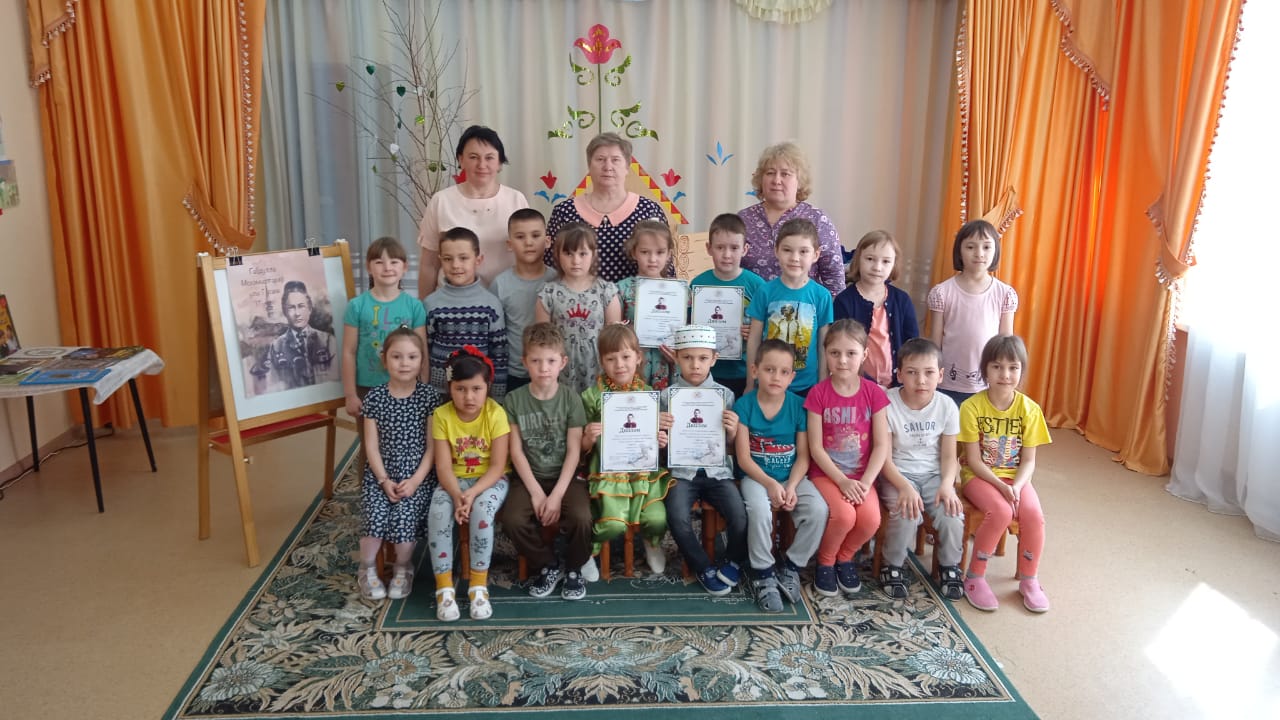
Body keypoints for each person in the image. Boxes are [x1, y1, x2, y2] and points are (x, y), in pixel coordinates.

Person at [958, 334, 1051, 613]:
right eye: (997, 366)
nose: (1005, 374)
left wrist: (1017, 487)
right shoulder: (971, 407)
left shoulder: (1030, 410)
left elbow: (1029, 462)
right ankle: (974, 577)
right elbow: (973, 461)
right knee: (1000, 511)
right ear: (985, 369)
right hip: (979, 477)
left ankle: (1029, 579)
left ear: (1022, 370)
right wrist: (1000, 486)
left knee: (1033, 515)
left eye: (1013, 367)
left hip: (1016, 479)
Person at [735, 339, 828, 612]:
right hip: (756, 477)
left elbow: (803, 456)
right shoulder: (744, 405)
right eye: (769, 370)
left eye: (784, 372)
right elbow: (743, 459)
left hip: (791, 476)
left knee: (819, 510)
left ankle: (792, 565)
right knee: (759, 510)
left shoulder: (798, 406)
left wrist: (792, 486)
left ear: (792, 377)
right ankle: (763, 572)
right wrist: (770, 484)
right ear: (755, 370)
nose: (776, 377)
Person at [500, 323, 592, 601]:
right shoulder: (513, 400)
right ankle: (548, 564)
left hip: (567, 476)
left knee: (582, 518)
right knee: (512, 519)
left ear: (562, 362)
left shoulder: (571, 399)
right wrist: (538, 494)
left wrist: (557, 496)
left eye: (550, 361)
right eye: (536, 361)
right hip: (530, 477)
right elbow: (516, 452)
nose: (543, 368)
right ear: (524, 362)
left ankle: (574, 567)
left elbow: (574, 451)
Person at [354, 328, 442, 602]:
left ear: (421, 361)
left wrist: (414, 481)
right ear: (384, 360)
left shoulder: (429, 397)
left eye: (412, 357)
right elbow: (371, 447)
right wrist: (383, 480)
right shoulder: (375, 398)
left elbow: (432, 448)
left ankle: (403, 567)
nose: (404, 363)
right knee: (376, 516)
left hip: (417, 475)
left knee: (404, 518)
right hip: (381, 474)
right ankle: (367, 567)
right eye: (397, 356)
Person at [658, 325, 747, 596]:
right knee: (676, 517)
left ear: (714, 359)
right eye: (687, 357)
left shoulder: (725, 396)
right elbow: (661, 450)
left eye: (702, 358)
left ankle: (733, 560)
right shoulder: (666, 397)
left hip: (717, 471)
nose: (695, 365)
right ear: (676, 357)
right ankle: (702, 565)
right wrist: (659, 432)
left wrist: (732, 432)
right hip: (681, 473)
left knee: (740, 515)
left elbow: (730, 448)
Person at [804, 319, 890, 598]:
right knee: (844, 515)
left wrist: (866, 482)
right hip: (827, 474)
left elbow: (881, 445)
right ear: (825, 354)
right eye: (835, 353)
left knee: (870, 520)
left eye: (851, 353)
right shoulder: (818, 394)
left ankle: (845, 557)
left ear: (864, 355)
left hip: (862, 476)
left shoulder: (874, 393)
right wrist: (841, 481)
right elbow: (816, 448)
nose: (842, 360)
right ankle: (826, 561)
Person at [878, 338, 966, 601]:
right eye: (912, 372)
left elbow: (949, 456)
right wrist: (905, 487)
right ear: (899, 374)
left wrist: (947, 485)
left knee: (952, 513)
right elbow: (884, 458)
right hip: (897, 474)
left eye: (929, 373)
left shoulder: (947, 406)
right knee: (906, 511)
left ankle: (950, 566)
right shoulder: (887, 402)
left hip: (934, 475)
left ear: (940, 375)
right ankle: (892, 565)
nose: (921, 380)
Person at [580, 324, 671, 579]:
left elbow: (652, 439)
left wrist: (659, 439)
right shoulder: (591, 397)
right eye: (611, 359)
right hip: (608, 473)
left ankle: (652, 542)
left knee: (657, 518)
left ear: (638, 357)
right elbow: (580, 448)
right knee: (612, 524)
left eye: (626, 356)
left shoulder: (649, 395)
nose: (619, 365)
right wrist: (588, 437)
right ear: (602, 361)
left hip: (643, 472)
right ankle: (588, 551)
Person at [428, 347, 511, 621]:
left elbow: (497, 466)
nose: (469, 397)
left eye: (476, 389)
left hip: (490, 481)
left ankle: (478, 585)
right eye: (461, 389)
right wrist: (456, 495)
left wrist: (472, 494)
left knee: (482, 512)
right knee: (438, 512)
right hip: (453, 480)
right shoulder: (442, 416)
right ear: (450, 388)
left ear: (487, 387)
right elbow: (443, 467)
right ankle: (444, 588)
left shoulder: (496, 414)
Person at [418, 125, 529, 296]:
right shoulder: (441, 201)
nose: (482, 165)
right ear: (461, 160)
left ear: (499, 163)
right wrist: (423, 307)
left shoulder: (516, 200)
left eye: (489, 157)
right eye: (473, 157)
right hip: (452, 301)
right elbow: (429, 265)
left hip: (506, 299)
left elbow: (529, 256)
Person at [543, 132, 668, 283]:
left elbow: (666, 269)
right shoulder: (564, 212)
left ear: (627, 167)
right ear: (589, 166)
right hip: (577, 298)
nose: (608, 167)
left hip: (634, 297)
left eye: (615, 160)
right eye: (600, 159)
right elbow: (550, 266)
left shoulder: (649, 210)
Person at [342, 238, 428, 454]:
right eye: (379, 262)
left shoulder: (415, 306)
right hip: (367, 387)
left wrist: (423, 388)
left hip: (407, 387)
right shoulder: (356, 306)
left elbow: (422, 351)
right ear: (368, 267)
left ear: (405, 267)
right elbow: (348, 352)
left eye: (394, 262)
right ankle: (371, 478)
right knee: (370, 448)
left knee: (406, 445)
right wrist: (350, 394)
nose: (387, 268)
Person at [928, 219, 1018, 405]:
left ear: (996, 251)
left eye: (986, 247)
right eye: (970, 247)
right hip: (948, 383)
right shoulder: (942, 292)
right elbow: (935, 343)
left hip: (987, 384)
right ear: (959, 251)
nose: (979, 253)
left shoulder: (1004, 294)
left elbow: (1005, 344)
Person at [738, 141, 845, 295]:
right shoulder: (743, 219)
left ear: (799, 181)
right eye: (770, 173)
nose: (776, 180)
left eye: (785, 174)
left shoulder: (818, 220)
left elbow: (835, 281)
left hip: (804, 307)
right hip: (751, 308)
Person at [745, 219, 833, 397]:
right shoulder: (765, 292)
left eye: (803, 251)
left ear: (815, 255)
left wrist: (822, 385)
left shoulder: (822, 296)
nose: (794, 258)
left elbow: (824, 344)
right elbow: (754, 340)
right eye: (787, 250)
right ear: (776, 251)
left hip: (806, 386)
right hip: (768, 383)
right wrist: (750, 383)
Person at [535, 222, 623, 394]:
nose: (576, 261)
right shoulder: (548, 293)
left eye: (583, 254)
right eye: (568, 253)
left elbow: (614, 338)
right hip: (561, 371)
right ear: (557, 254)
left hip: (599, 370)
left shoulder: (606, 291)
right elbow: (541, 341)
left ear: (593, 254)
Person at [424, 226, 508, 399]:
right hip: (440, 394)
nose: (456, 265)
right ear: (440, 260)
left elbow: (499, 355)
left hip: (477, 394)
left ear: (478, 260)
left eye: (463, 258)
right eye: (448, 259)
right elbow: (426, 350)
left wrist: (497, 398)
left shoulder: (491, 305)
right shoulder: (431, 304)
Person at [690, 213, 766, 399]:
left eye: (734, 248)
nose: (726, 255)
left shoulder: (757, 286)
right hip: (706, 373)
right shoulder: (697, 284)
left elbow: (769, 329)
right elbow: (688, 326)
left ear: (745, 249)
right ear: (709, 248)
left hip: (744, 372)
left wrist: (756, 331)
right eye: (720, 247)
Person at [834, 230, 919, 388]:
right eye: (870, 259)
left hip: (897, 386)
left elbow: (913, 345)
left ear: (894, 265)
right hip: (857, 385)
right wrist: (871, 385)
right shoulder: (844, 301)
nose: (877, 267)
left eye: (886, 261)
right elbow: (841, 347)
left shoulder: (902, 300)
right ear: (858, 259)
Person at [491, 209, 558, 395]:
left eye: (535, 235)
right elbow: (495, 335)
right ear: (509, 244)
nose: (528, 242)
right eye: (520, 237)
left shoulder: (557, 281)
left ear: (547, 241)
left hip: (552, 372)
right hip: (515, 374)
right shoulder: (500, 284)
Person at [615, 219, 678, 390]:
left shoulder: (679, 291)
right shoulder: (621, 290)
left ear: (669, 254)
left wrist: (678, 351)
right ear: (634, 252)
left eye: (660, 252)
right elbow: (614, 333)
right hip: (633, 365)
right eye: (645, 252)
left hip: (667, 363)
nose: (652, 259)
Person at [265, 280, 338, 389]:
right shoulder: (276, 347)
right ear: (284, 311)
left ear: (309, 309)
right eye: (291, 307)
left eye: (301, 306)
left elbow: (337, 380)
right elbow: (273, 385)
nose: (297, 313)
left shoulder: (328, 341)